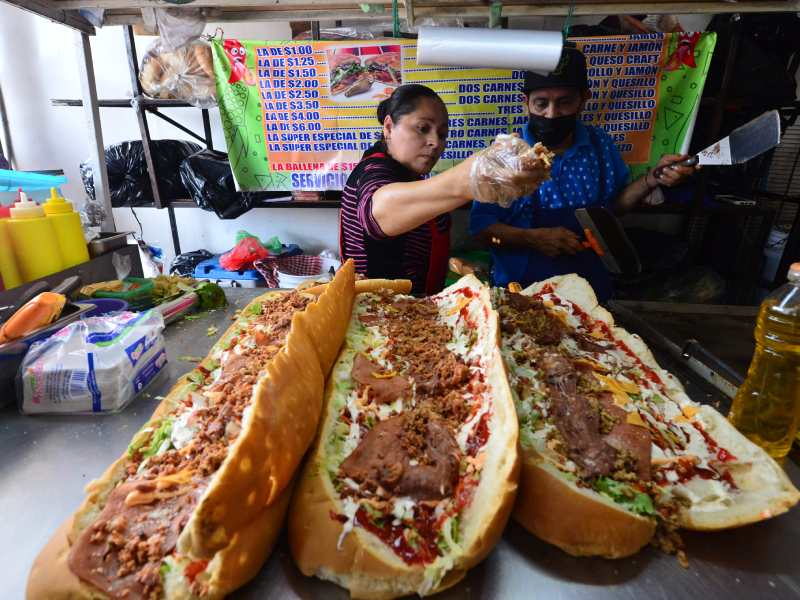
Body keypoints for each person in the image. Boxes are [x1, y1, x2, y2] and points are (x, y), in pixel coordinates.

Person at [470, 48, 697, 301]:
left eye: (565, 102)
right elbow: (482, 232)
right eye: (541, 103)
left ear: (584, 99)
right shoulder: (504, 154)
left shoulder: (599, 145)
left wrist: (651, 179)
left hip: (589, 289)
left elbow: (613, 209)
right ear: (526, 103)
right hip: (521, 291)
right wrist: (532, 239)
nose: (551, 114)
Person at [340, 83, 545, 294]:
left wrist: (457, 263)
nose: (435, 142)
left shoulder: (412, 177)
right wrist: (469, 178)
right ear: (389, 127)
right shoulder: (374, 170)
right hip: (377, 316)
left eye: (443, 134)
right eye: (423, 128)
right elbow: (378, 213)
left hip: (416, 311)